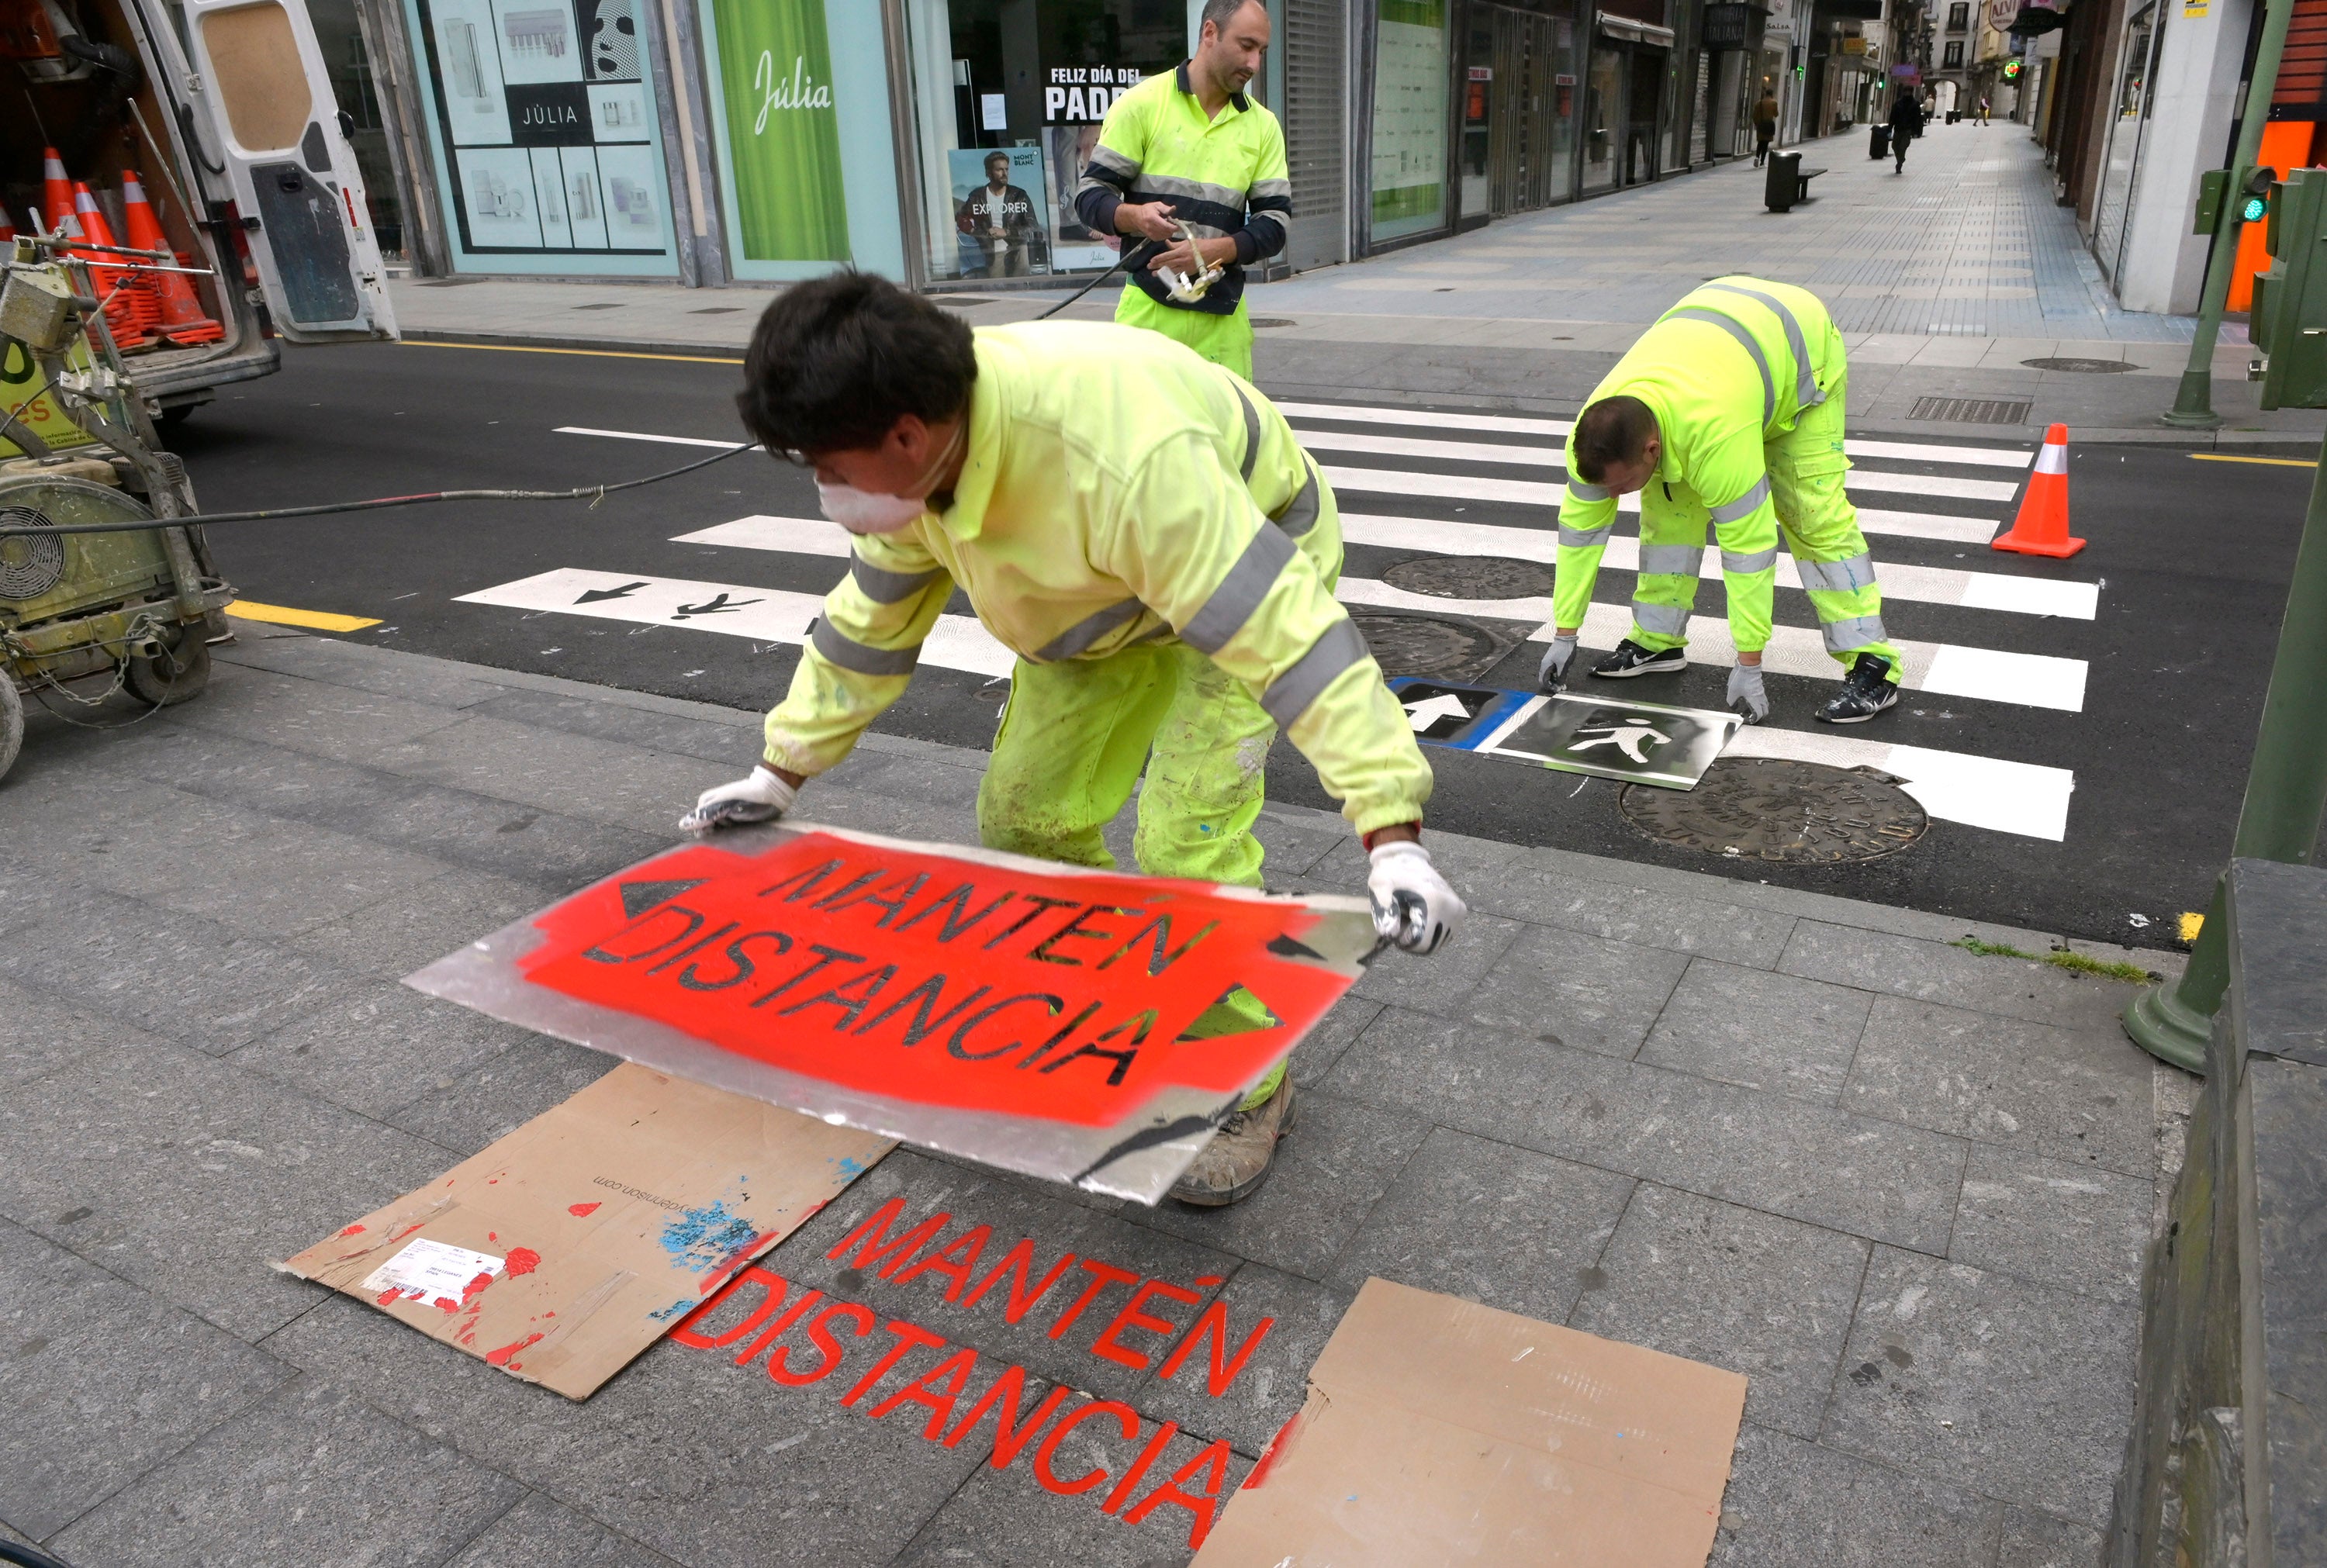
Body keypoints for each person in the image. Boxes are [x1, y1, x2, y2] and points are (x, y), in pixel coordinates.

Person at [686, 275, 1464, 1205]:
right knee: (1024, 820)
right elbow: (868, 629)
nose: (826, 490)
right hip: (1088, 604)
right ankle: (1107, 1009)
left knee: (1189, 851)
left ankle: (1245, 1087)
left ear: (907, 435)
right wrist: (781, 772)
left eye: (830, 466)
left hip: (1244, 552)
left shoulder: (1125, 462)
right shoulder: (916, 466)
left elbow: (1290, 638)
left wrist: (1392, 834)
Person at [1540, 276, 1904, 726]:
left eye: (1620, 485)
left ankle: (1874, 662)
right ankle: (1658, 640)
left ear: (1652, 449)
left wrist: (1748, 664)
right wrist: (1564, 634)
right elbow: (1580, 538)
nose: (1612, 496)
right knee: (1668, 511)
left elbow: (1748, 551)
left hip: (1799, 354)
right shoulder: (1595, 436)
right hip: (1721, 354)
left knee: (1811, 513)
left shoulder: (1717, 438)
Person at [1073, 0, 1289, 381]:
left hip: (1224, 325)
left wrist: (1213, 253)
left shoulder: (1263, 126)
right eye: (1246, 46)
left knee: (1227, 440)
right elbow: (1090, 194)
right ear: (1209, 33)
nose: (1255, 64)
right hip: (1148, 315)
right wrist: (1133, 216)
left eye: (1261, 51)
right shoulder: (1142, 104)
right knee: (1140, 437)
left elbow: (1275, 224)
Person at [958, 151, 1039, 278]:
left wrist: (1007, 232)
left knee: (1023, 270)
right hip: (991, 251)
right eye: (1000, 170)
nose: (1005, 173)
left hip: (1018, 248)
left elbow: (1033, 226)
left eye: (1006, 169)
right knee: (997, 285)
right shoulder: (977, 197)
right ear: (989, 173)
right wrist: (976, 231)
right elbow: (962, 219)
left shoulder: (1019, 196)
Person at [1888, 88, 1924, 174]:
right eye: (1905, 91)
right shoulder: (1898, 103)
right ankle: (1901, 158)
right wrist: (1890, 128)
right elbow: (1892, 116)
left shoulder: (1915, 104)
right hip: (1898, 128)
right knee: (1895, 146)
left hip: (1908, 129)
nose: (1907, 93)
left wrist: (1916, 132)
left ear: (1911, 92)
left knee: (1903, 147)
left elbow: (1917, 119)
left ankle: (1899, 164)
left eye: (1908, 92)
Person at [1752, 85, 1779, 166]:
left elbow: (1754, 116)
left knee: (1760, 142)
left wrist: (1757, 124)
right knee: (1766, 144)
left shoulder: (1759, 103)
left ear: (1765, 94)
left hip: (1761, 124)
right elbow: (1776, 114)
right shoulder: (1774, 103)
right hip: (1769, 125)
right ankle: (1762, 162)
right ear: (1772, 94)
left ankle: (1757, 157)